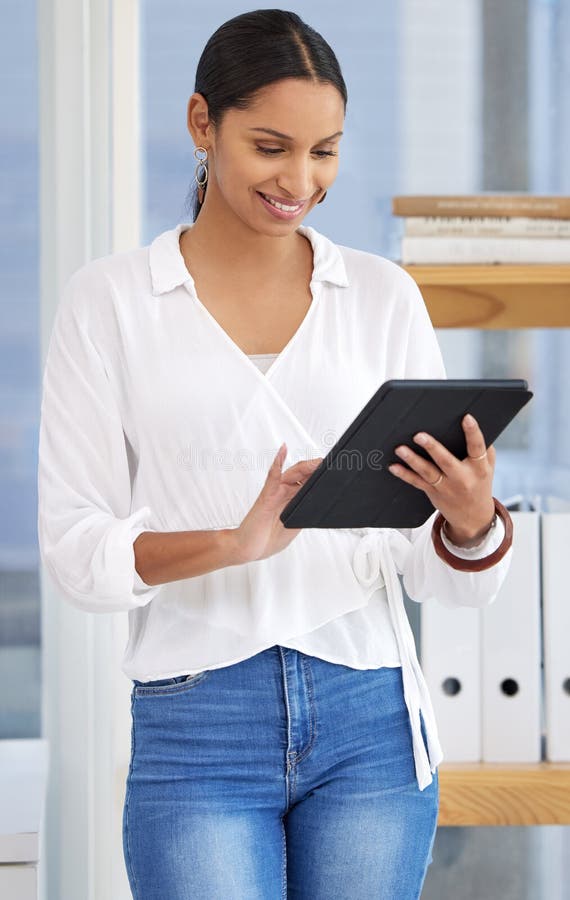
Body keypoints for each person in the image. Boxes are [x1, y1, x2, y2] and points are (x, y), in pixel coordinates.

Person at [37, 9, 514, 899]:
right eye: (271, 146)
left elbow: (441, 573)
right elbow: (74, 551)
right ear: (200, 125)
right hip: (197, 718)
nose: (300, 179)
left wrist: (471, 518)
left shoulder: (380, 298)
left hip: (368, 713)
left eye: (324, 151)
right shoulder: (112, 303)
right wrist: (232, 542)